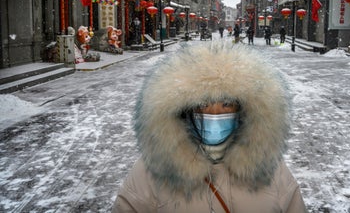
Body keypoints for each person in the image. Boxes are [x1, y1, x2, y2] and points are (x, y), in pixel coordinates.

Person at [112, 41, 307, 213]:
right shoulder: (153, 169)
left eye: (226, 103)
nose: (215, 114)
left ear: (243, 108)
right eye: (203, 104)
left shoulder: (270, 169)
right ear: (185, 109)